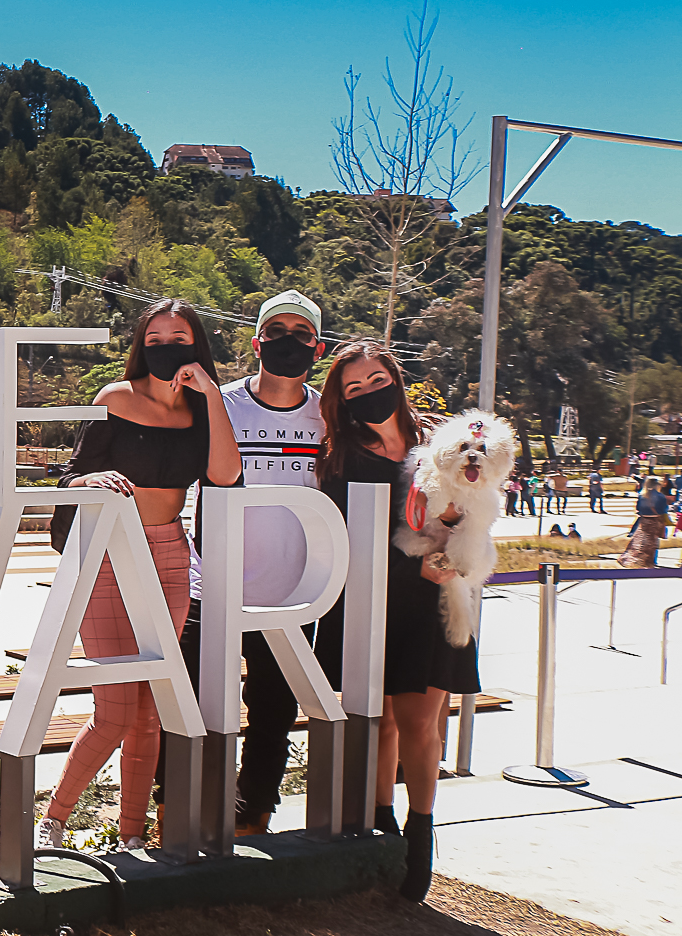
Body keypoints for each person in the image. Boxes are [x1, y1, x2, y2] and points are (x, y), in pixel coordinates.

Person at [38, 299, 241, 851]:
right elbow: (71, 480)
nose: (166, 347)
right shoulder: (115, 398)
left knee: (150, 708)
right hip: (106, 552)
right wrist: (95, 476)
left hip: (171, 556)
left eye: (179, 337)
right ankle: (54, 819)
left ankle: (131, 836)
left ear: (196, 346)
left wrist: (213, 397)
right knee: (116, 708)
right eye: (154, 338)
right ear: (140, 344)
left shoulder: (201, 411)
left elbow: (225, 473)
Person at [311, 342, 475, 903]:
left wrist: (454, 546)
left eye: (376, 379)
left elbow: (473, 508)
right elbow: (345, 540)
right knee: (378, 719)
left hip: (433, 602)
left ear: (396, 379)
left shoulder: (439, 446)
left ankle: (421, 827)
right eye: (353, 388)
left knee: (421, 722)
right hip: (373, 597)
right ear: (341, 400)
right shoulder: (340, 456)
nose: (368, 392)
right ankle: (381, 825)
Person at [178, 289, 326, 838]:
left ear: (318, 346)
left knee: (273, 710)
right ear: (257, 340)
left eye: (301, 334)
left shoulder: (325, 414)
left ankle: (254, 813)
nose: (288, 342)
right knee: (189, 703)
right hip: (209, 584)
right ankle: (178, 811)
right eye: (277, 332)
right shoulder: (222, 404)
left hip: (294, 592)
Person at [623, 475, 671, 568]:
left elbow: (638, 509)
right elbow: (663, 509)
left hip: (644, 520)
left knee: (641, 541)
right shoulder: (660, 496)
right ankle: (651, 561)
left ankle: (637, 560)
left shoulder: (642, 495)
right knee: (653, 542)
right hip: (655, 520)